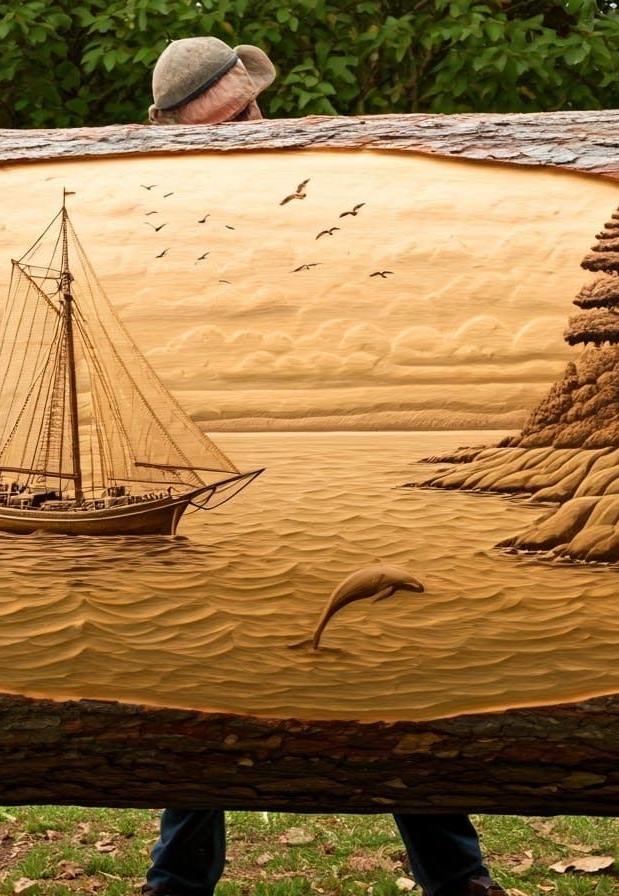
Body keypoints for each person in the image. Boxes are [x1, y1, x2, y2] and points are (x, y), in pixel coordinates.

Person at [139, 36, 506, 896]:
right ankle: (176, 883)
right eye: (223, 124)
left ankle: (457, 876)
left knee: (387, 661)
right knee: (206, 669)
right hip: (228, 438)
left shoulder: (323, 174)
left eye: (252, 111)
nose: (250, 131)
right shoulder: (157, 209)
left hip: (321, 441)